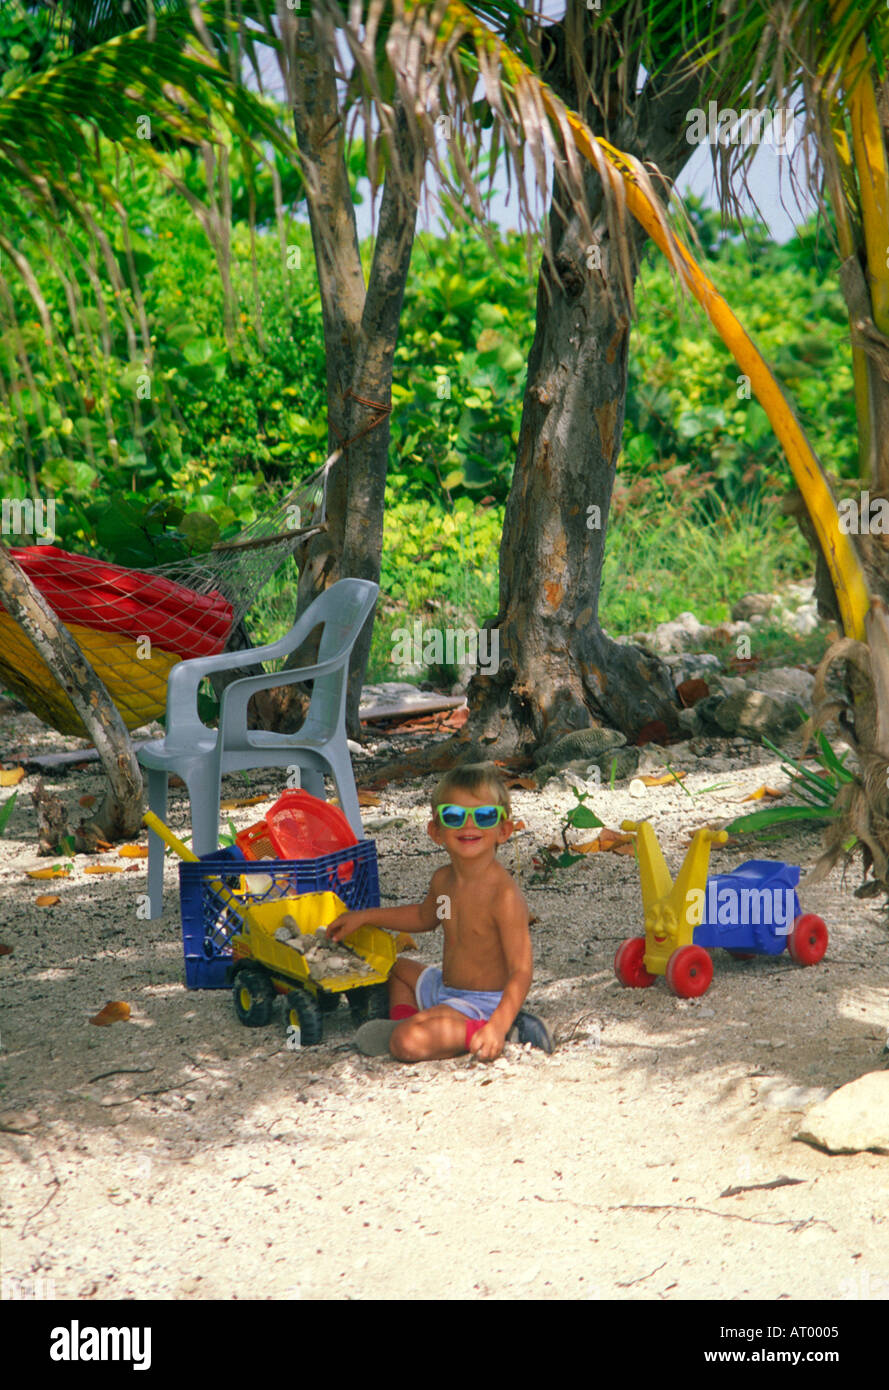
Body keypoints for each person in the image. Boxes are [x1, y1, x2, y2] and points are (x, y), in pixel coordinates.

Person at [326, 762, 553, 1061]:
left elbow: (521, 971)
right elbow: (425, 917)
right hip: (444, 987)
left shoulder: (503, 896)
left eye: (484, 816)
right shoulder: (444, 881)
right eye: (454, 816)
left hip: (483, 1002)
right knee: (395, 967)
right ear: (436, 831)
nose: (468, 825)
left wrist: (497, 1025)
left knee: (407, 1042)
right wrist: (366, 916)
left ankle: (495, 1030)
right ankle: (404, 1021)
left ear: (503, 830)